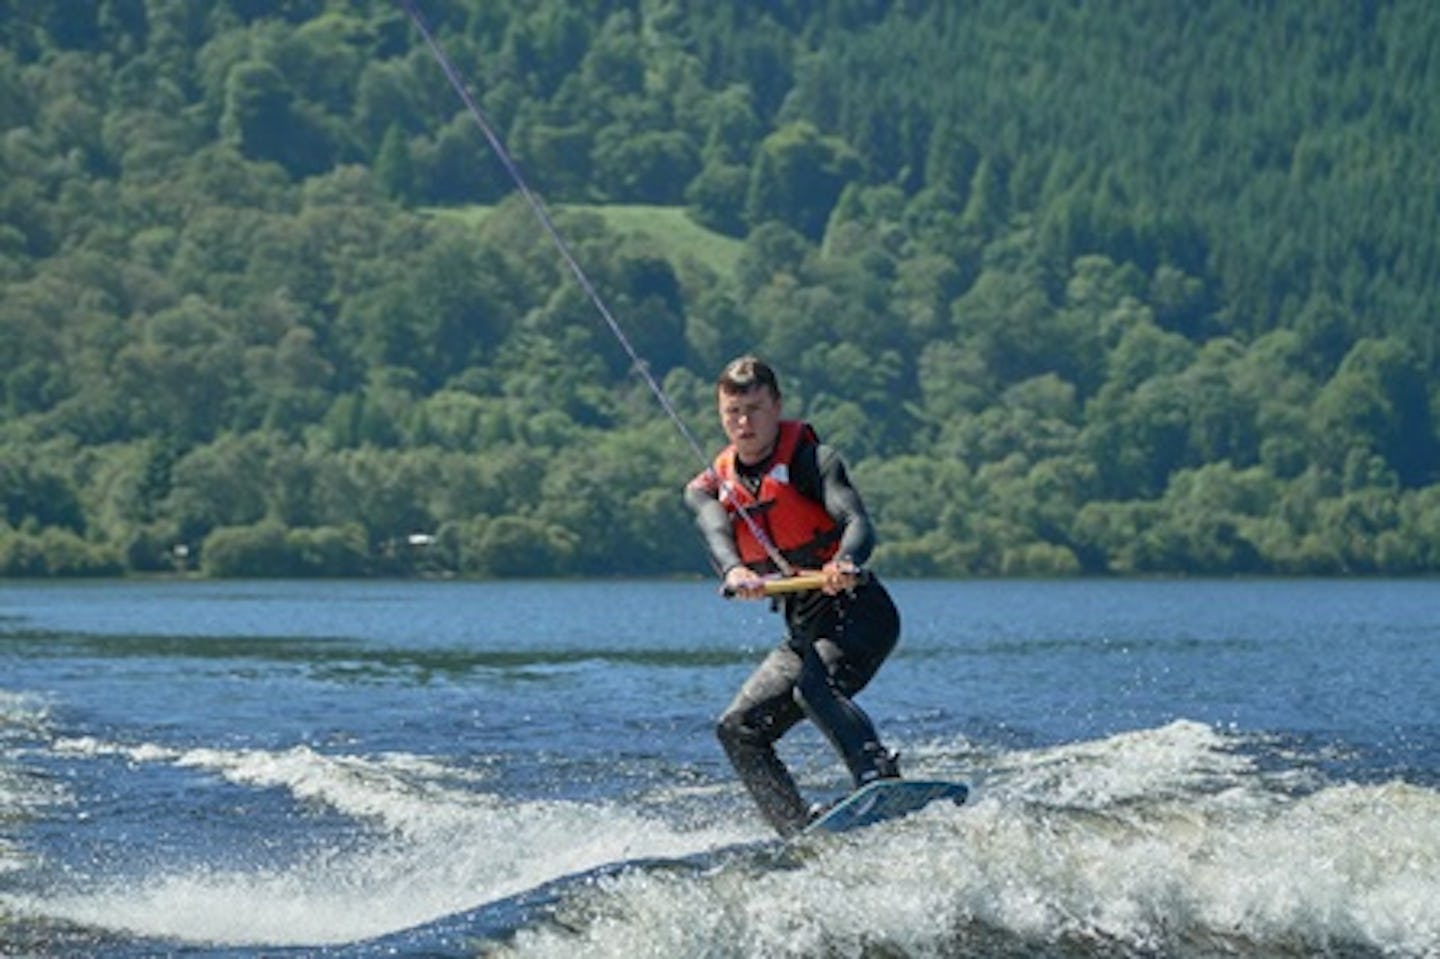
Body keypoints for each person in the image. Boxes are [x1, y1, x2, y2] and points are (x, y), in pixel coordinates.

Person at [685, 355, 902, 836]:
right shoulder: (708, 488)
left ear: (777, 406)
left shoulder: (811, 460)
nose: (744, 423)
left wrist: (844, 561)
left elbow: (856, 521)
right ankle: (795, 828)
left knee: (813, 689)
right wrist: (735, 569)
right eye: (732, 413)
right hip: (806, 627)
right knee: (738, 729)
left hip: (860, 614)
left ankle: (878, 776)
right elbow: (716, 533)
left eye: (755, 410)